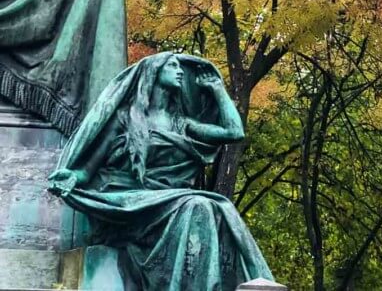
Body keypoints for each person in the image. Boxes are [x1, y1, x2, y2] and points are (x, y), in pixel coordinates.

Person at [49, 52, 273, 291]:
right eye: (172, 66)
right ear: (154, 72)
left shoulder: (182, 124)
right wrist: (73, 177)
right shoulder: (125, 119)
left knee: (214, 208)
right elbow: (88, 169)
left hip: (169, 201)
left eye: (179, 67)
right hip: (128, 202)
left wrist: (218, 89)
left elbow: (233, 132)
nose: (179, 71)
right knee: (198, 206)